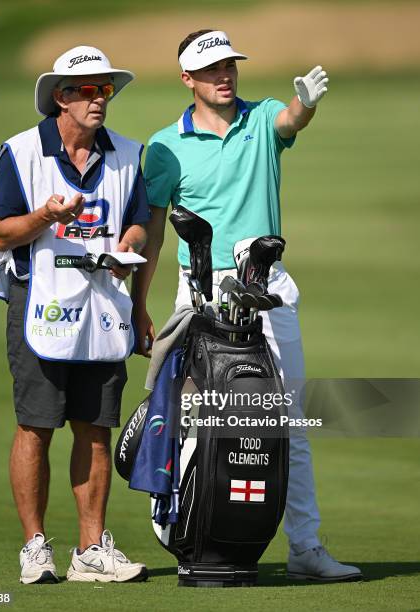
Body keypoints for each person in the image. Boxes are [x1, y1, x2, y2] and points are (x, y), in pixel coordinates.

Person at [133, 30, 362, 581]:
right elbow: (157, 234)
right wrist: (139, 304)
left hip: (266, 285)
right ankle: (188, 533)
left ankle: (304, 547)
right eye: (211, 69)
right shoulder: (165, 146)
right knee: (192, 421)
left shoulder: (260, 119)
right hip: (200, 290)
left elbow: (288, 122)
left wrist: (304, 103)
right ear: (188, 79)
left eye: (230, 65)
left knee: (288, 420)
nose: (225, 75)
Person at [0, 45, 150, 584]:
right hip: (39, 304)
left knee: (96, 428)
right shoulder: (20, 152)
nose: (98, 98)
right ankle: (35, 548)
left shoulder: (128, 153)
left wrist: (130, 242)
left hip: (102, 306)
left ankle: (90, 550)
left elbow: (138, 221)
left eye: (104, 89)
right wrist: (45, 216)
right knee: (36, 426)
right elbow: (1, 230)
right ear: (60, 97)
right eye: (86, 89)